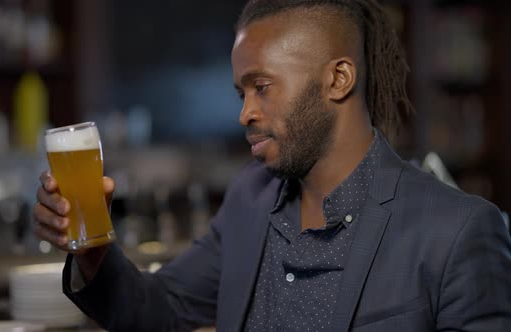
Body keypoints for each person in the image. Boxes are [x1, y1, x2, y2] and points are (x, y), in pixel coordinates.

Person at [33, 0, 511, 331]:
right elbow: (161, 311)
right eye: (242, 94)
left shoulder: (458, 230)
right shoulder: (250, 196)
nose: (245, 114)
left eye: (262, 87)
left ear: (338, 79)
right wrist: (93, 250)